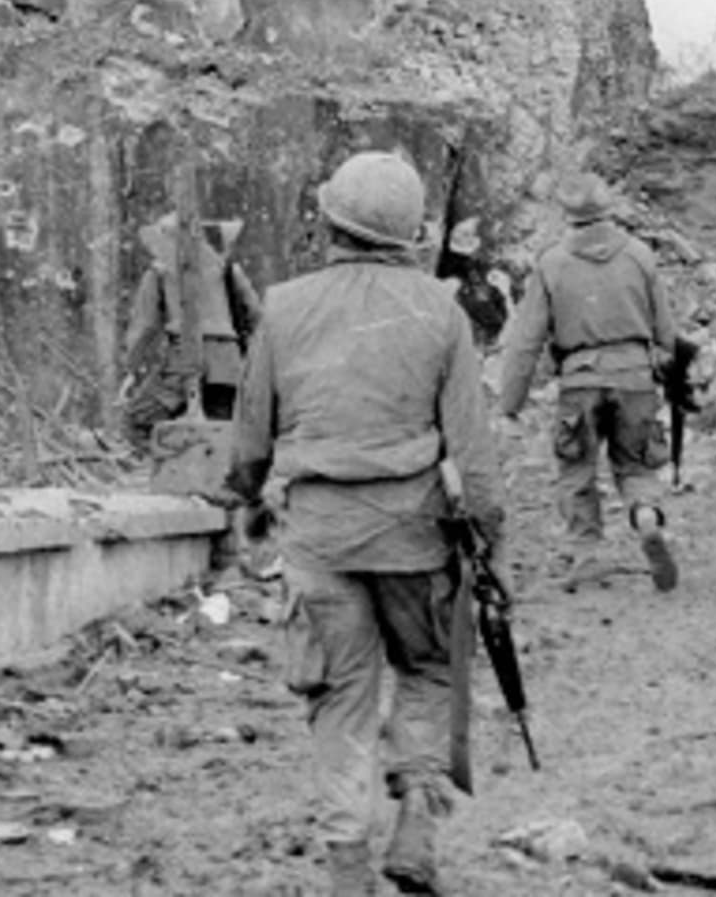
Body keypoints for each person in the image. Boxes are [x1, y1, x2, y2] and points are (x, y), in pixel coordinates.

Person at [224, 151, 502, 897]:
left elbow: (250, 440)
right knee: (430, 668)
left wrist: (243, 495)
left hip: (319, 537)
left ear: (330, 221)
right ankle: (415, 808)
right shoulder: (442, 311)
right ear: (412, 232)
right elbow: (472, 450)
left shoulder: (282, 306)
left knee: (338, 697)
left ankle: (348, 862)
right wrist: (488, 536)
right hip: (415, 534)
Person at [498, 171, 679, 593]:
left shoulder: (552, 263)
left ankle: (586, 553)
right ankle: (646, 514)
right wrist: (656, 373)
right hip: (635, 377)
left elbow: (526, 341)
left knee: (576, 468)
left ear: (566, 212)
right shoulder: (640, 255)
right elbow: (666, 334)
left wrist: (511, 402)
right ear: (608, 207)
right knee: (635, 464)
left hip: (579, 381)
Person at [122, 212, 260, 451]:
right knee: (221, 433)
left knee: (137, 420)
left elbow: (145, 326)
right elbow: (257, 315)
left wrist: (131, 367)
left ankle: (172, 467)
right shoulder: (225, 269)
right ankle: (213, 480)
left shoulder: (159, 272)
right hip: (228, 363)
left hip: (183, 357)